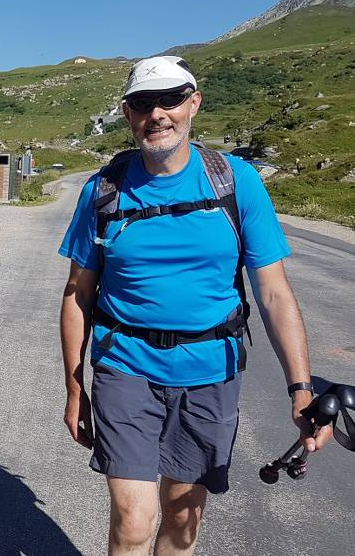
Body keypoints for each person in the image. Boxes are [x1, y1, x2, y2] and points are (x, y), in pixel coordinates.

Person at [58, 56, 332, 555]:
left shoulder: (236, 181)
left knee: (183, 521)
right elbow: (78, 293)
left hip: (210, 371)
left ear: (194, 104)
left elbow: (273, 292)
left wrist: (301, 387)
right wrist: (76, 390)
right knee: (133, 520)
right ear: (127, 113)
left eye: (171, 100)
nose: (157, 114)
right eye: (143, 103)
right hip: (125, 367)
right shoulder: (103, 190)